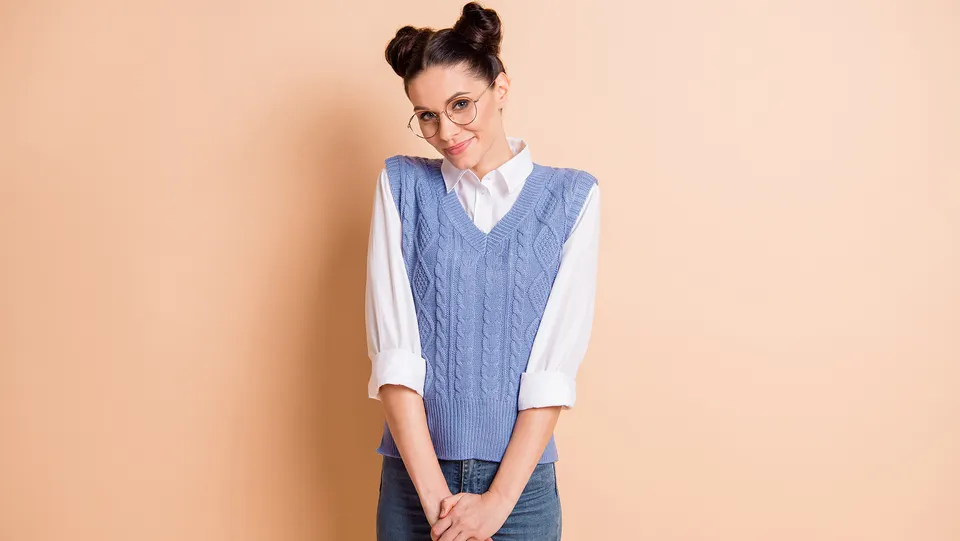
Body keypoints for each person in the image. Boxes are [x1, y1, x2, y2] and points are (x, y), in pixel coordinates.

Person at [365, 3, 601, 539]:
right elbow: (394, 357)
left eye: (461, 104)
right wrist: (438, 506)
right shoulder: (401, 186)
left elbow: (552, 367)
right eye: (427, 115)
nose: (446, 130)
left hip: (520, 489)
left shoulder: (571, 198)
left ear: (501, 87)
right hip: (414, 482)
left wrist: (496, 503)